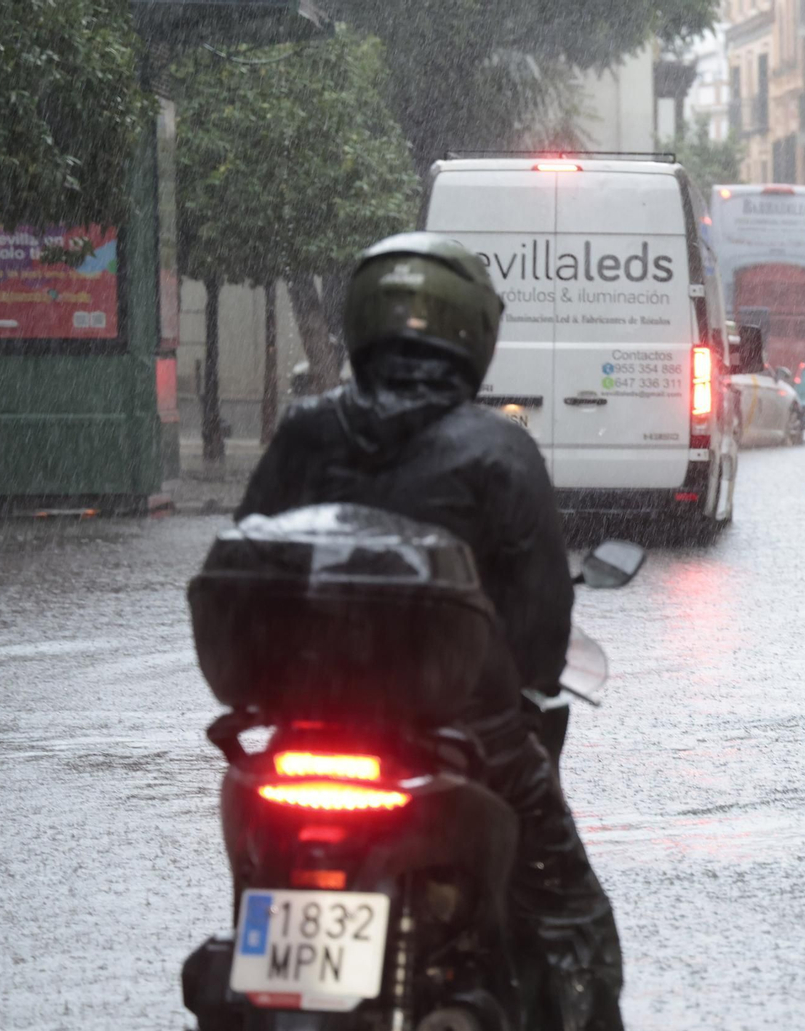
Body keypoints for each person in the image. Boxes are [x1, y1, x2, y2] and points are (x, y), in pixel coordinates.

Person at [236, 232, 624, 1029]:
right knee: (569, 918)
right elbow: (541, 634)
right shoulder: (500, 448)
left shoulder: (304, 433)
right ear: (474, 333)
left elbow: (246, 565)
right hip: (463, 738)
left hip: (303, 734)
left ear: (357, 324)